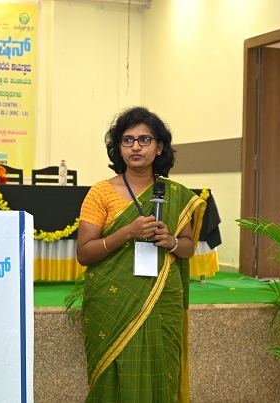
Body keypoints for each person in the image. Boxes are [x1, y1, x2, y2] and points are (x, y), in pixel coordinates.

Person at [76, 106, 207, 402]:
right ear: (118, 148)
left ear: (159, 147)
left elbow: (187, 247)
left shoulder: (175, 194)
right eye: (128, 140)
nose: (136, 147)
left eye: (145, 140)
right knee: (113, 375)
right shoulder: (100, 193)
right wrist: (127, 232)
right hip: (111, 302)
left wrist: (171, 241)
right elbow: (84, 252)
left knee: (161, 371)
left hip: (163, 299)